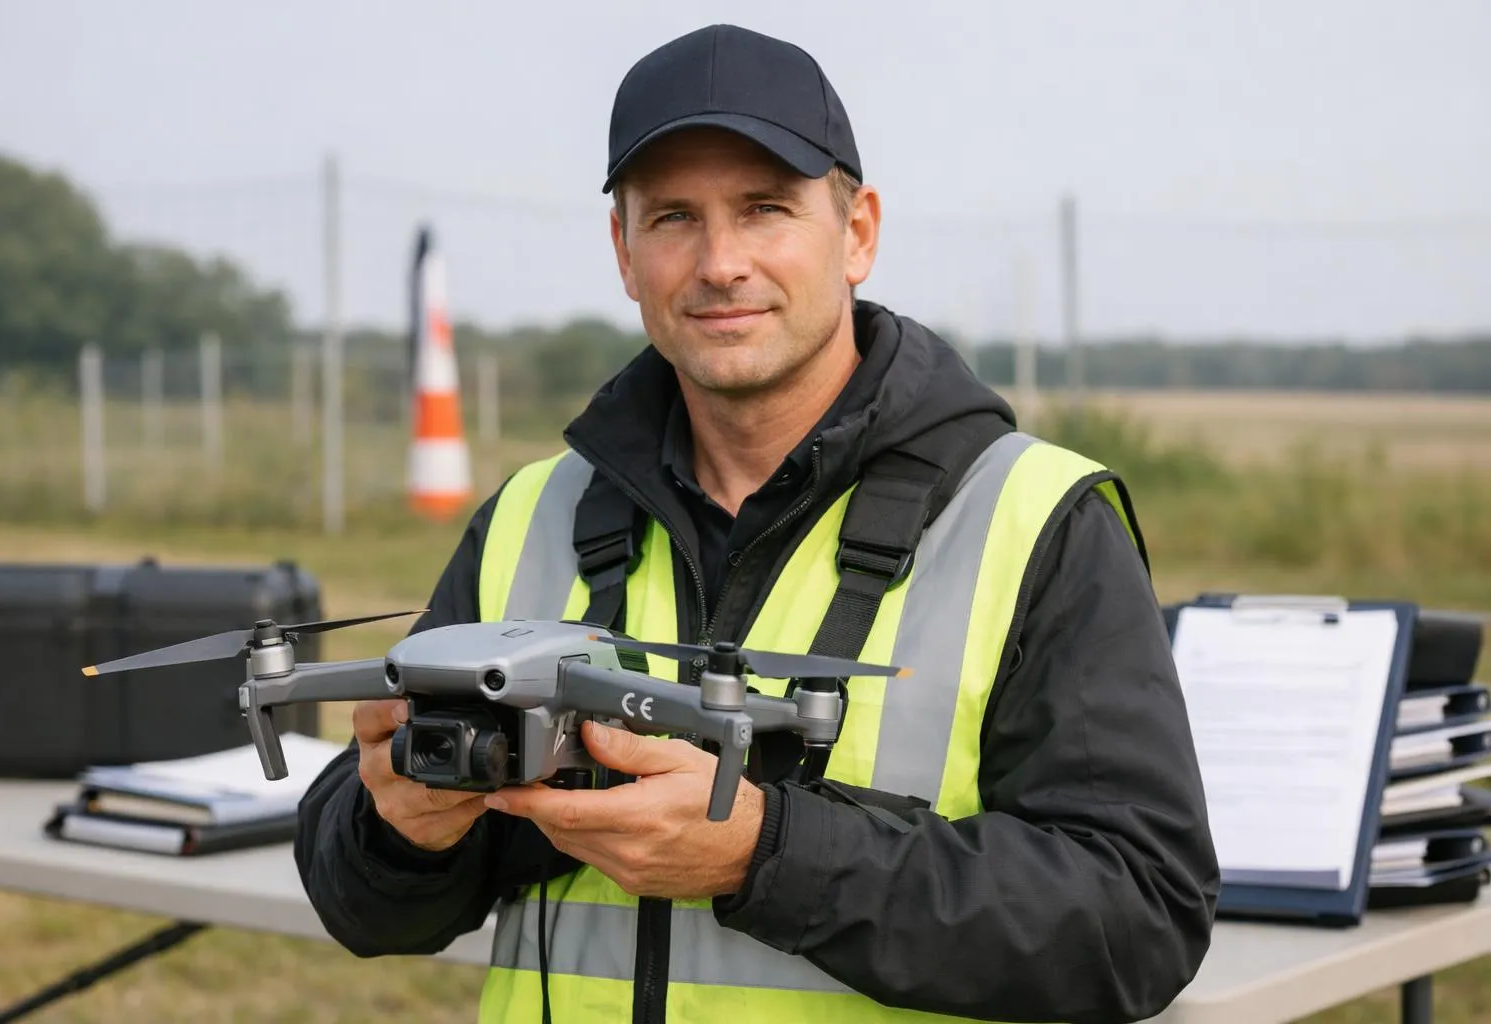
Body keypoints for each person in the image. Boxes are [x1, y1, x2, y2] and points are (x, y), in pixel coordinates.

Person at [294, 22, 1220, 1024]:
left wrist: (764, 853)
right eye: (674, 218)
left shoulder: (1035, 520)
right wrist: (400, 830)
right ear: (624, 249)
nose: (720, 262)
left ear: (858, 229)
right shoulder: (532, 514)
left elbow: (1138, 916)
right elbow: (363, 901)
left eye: (765, 209)